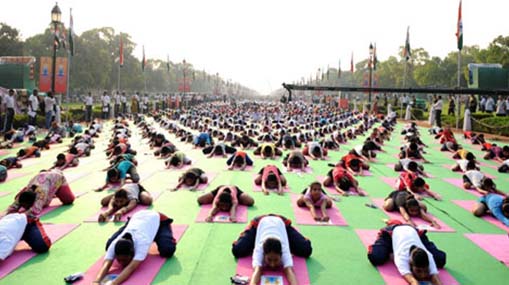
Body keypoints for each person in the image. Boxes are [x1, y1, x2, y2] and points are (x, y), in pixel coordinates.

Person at [94, 210, 177, 285]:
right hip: (136, 218)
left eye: (125, 260)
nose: (122, 263)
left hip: (159, 220)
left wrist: (113, 283)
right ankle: (128, 226)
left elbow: (131, 267)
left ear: (133, 252)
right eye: (119, 260)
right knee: (108, 244)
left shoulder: (142, 243)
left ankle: (163, 233)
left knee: (167, 250)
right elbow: (106, 265)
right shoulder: (115, 244)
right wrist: (96, 282)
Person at [231, 215, 312, 285]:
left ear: (281, 254)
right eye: (269, 260)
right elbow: (257, 270)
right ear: (263, 254)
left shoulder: (284, 249)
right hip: (259, 223)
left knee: (306, 250)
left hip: (280, 222)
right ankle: (251, 233)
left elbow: (289, 270)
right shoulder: (259, 249)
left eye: (276, 260)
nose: (272, 265)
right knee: (237, 250)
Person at [367, 221, 446, 285]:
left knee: (441, 259)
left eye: (426, 270)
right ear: (410, 264)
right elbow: (413, 282)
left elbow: (436, 280)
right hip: (392, 233)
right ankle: (394, 226)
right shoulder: (402, 257)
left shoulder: (428, 256)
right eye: (418, 271)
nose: (423, 276)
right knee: (376, 257)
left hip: (413, 231)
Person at [5, 169, 75, 218]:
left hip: (58, 178)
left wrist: (17, 216)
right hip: (42, 177)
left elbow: (35, 211)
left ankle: (55, 190)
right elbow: (14, 205)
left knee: (69, 200)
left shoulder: (41, 195)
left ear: (33, 201)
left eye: (25, 206)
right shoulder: (24, 193)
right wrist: (9, 212)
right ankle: (52, 190)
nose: (24, 207)